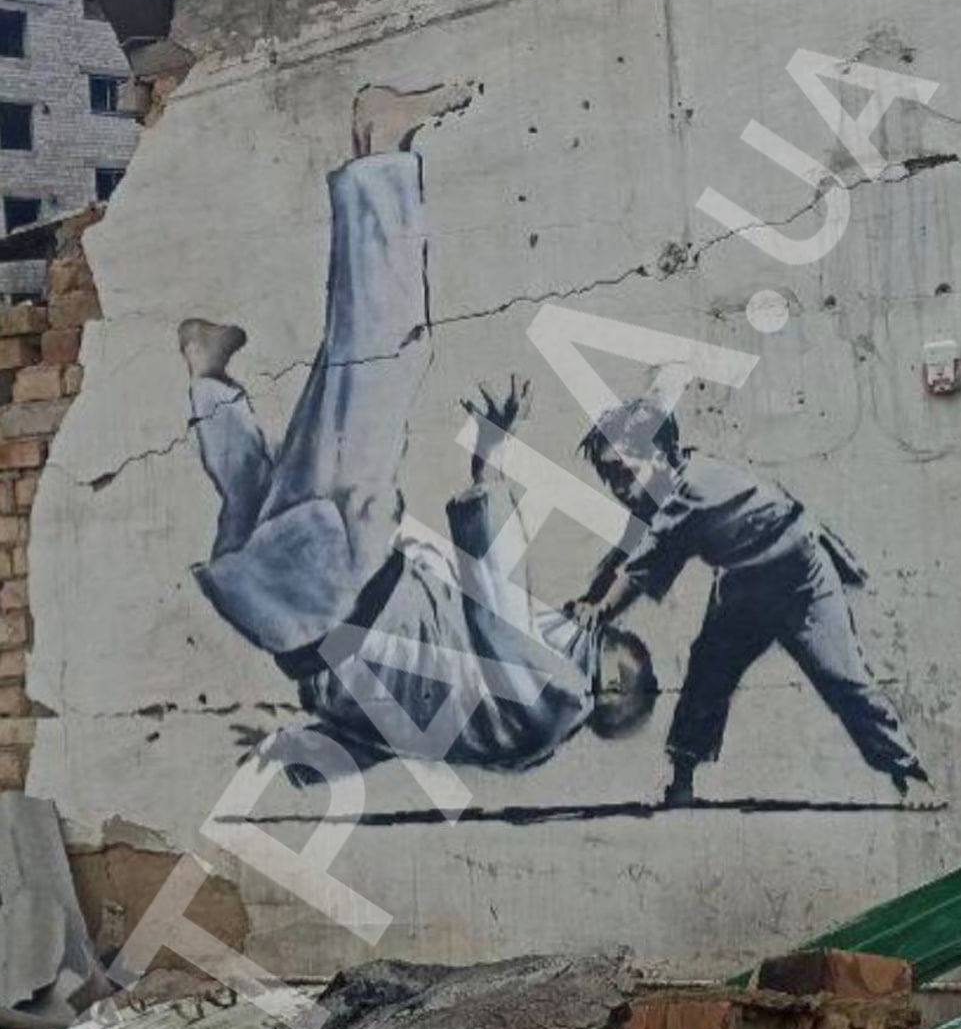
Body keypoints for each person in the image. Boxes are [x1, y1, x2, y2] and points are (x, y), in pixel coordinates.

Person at [179, 82, 657, 783]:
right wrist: (306, 761)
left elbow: (494, 606)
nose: (583, 616)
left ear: (607, 687)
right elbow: (395, 737)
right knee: (268, 496)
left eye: (602, 634)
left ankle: (383, 146)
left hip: (346, 576)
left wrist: (489, 461)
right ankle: (208, 374)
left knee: (386, 352)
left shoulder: (559, 694)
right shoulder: (507, 743)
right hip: (275, 622)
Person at [569, 396, 929, 806]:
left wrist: (601, 608)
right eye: (608, 477)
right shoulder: (671, 485)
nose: (618, 488)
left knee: (843, 677)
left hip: (801, 579)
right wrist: (590, 598)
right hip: (743, 584)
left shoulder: (689, 490)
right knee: (707, 674)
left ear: (661, 453)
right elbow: (630, 549)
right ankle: (682, 780)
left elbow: (640, 567)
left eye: (623, 472)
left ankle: (908, 771)